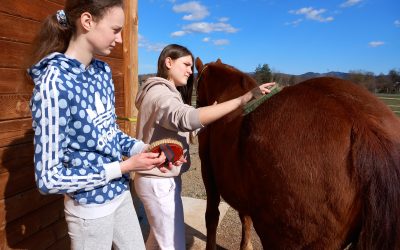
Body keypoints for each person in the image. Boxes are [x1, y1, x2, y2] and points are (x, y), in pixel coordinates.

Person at [27, 1, 169, 249]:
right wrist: (124, 166)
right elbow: (48, 179)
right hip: (89, 211)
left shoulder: (102, 72)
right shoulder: (54, 84)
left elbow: (109, 133)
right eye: (115, 30)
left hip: (120, 194)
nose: (121, 40)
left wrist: (144, 150)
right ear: (87, 21)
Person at [134, 44, 275, 250]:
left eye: (192, 66)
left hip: (158, 177)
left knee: (157, 241)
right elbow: (184, 118)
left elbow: (180, 127)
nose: (191, 70)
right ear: (168, 62)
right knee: (172, 244)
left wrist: (209, 114)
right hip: (158, 182)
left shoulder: (159, 92)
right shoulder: (161, 95)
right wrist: (242, 99)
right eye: (186, 64)